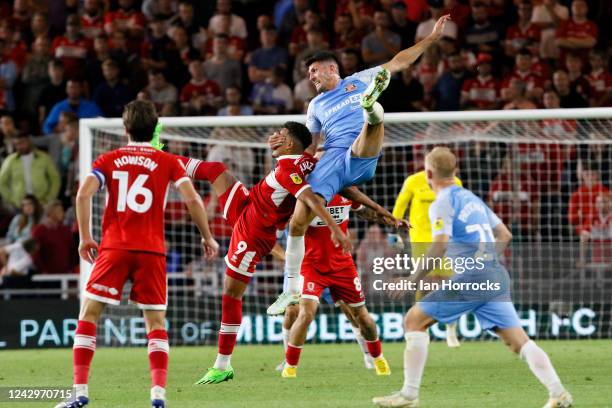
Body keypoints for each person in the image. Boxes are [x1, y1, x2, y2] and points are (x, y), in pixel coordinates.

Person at [267, 15, 452, 315]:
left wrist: (431, 38)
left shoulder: (359, 80)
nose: (311, 78)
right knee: (297, 220)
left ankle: (372, 110)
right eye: (308, 74)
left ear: (332, 69)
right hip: (333, 159)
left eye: (314, 71)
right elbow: (313, 144)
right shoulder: (314, 106)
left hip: (359, 149)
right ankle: (290, 290)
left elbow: (400, 61)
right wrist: (301, 159)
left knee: (368, 129)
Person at [372, 147, 573, 408]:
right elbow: (505, 236)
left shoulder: (442, 203)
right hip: (494, 274)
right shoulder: (472, 198)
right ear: (455, 172)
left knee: (413, 320)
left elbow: (439, 246)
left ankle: (409, 396)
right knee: (518, 342)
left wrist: (412, 280)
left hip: (472, 277)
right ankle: (559, 393)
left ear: (429, 173)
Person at [54, 100, 218, 408]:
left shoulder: (109, 159)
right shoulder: (169, 161)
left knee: (89, 315)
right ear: (155, 128)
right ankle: (157, 394)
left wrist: (86, 237)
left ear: (125, 128)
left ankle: (79, 393)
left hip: (114, 248)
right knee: (156, 323)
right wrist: (207, 236)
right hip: (152, 251)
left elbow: (83, 193)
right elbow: (194, 199)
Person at [175, 122, 353, 385]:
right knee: (216, 170)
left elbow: (310, 199)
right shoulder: (304, 160)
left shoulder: (288, 170)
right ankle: (162, 158)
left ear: (290, 143)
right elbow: (309, 149)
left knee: (231, 295)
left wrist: (336, 231)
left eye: (280, 136)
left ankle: (222, 365)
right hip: (248, 203)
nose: (274, 138)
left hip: (253, 232)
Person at [279, 188, 406, 378]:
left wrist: (386, 219)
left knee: (361, 315)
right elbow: (292, 225)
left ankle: (377, 358)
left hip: (342, 266)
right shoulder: (306, 198)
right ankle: (289, 367)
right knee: (305, 313)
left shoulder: (346, 192)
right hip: (311, 266)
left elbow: (364, 210)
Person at [389, 167, 462, 348]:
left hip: (445, 239)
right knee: (423, 283)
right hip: (420, 240)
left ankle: (451, 328)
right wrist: (395, 232)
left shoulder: (455, 182)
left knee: (450, 283)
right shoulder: (413, 181)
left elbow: (459, 210)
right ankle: (420, 328)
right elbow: (399, 207)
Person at [0, 133, 60, 209]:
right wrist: (12, 199)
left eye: (23, 142)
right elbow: (2, 182)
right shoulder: (10, 160)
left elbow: (55, 179)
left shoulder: (43, 157)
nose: (21, 146)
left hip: (42, 202)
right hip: (20, 204)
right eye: (18, 144)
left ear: (29, 142)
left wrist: (49, 197)